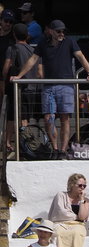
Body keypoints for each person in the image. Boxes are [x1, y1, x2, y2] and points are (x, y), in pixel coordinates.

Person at [11, 19, 89, 158]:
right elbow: (33, 59)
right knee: (48, 118)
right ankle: (55, 149)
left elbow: (80, 56)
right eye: (58, 31)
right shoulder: (43, 43)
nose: (61, 33)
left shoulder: (69, 41)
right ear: (51, 31)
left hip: (66, 85)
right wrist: (20, 76)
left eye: (63, 31)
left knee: (65, 119)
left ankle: (62, 150)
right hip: (49, 86)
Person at [3, 21, 42, 151]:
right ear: (27, 36)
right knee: (25, 118)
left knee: (11, 117)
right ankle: (24, 145)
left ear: (14, 35)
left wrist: (4, 80)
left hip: (17, 88)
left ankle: (8, 143)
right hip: (32, 88)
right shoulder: (34, 51)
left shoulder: (12, 48)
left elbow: (6, 67)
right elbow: (40, 73)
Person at [47, 173, 89, 247]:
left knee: (77, 233)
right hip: (60, 223)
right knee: (59, 234)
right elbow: (61, 212)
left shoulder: (86, 200)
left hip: (77, 225)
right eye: (80, 185)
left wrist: (81, 201)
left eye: (84, 186)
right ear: (72, 185)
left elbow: (83, 217)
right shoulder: (61, 195)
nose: (82, 188)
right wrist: (77, 217)